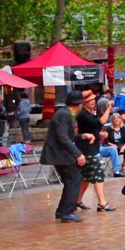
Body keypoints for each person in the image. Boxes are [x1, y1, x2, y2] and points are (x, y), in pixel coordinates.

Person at [39, 90, 92, 222]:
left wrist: (82, 136)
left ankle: (62, 210)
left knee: (72, 180)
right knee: (74, 179)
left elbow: (67, 135)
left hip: (61, 154)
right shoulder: (63, 114)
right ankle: (67, 212)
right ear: (79, 103)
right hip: (59, 154)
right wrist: (78, 154)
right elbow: (62, 137)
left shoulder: (66, 113)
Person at [76, 90, 118, 212]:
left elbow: (91, 128)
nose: (93, 102)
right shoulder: (83, 115)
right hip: (87, 149)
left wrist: (99, 133)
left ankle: (77, 200)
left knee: (85, 177)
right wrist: (108, 109)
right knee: (98, 174)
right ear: (84, 103)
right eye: (90, 100)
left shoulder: (89, 114)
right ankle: (102, 202)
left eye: (94, 99)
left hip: (91, 148)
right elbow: (100, 122)